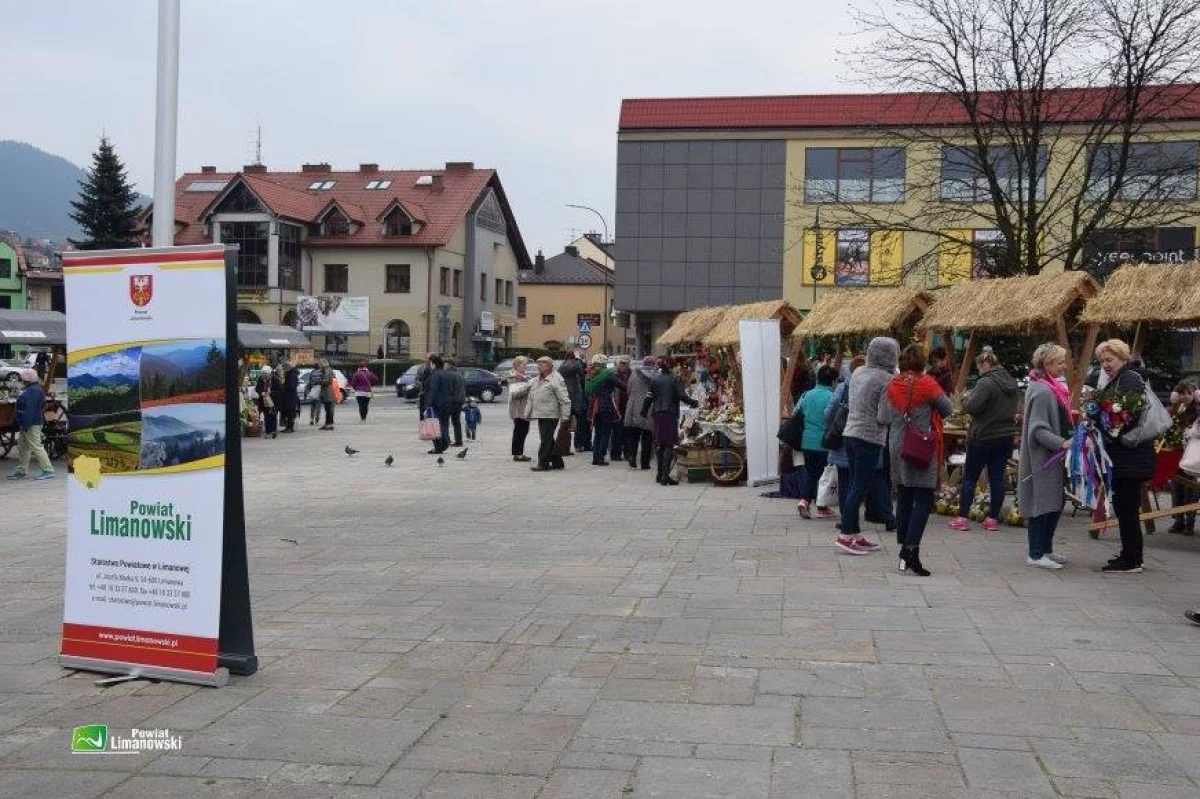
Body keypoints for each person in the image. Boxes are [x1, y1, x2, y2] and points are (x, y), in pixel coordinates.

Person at [879, 345, 954, 576]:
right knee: (923, 500)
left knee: (903, 498)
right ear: (922, 362)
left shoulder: (891, 385)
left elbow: (882, 416)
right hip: (920, 445)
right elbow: (948, 408)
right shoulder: (927, 383)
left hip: (896, 446)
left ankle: (904, 551)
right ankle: (911, 551)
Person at [1091, 338, 1155, 573]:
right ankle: (1131, 554)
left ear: (1123, 358)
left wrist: (1100, 416)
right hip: (1128, 456)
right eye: (1102, 361)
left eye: (1110, 359)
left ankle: (1132, 560)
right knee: (1125, 506)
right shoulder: (1121, 378)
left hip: (1131, 456)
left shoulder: (1128, 379)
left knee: (1127, 507)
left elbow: (1125, 418)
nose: (1105, 364)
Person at [837, 337, 899, 555]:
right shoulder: (888, 379)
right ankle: (845, 534)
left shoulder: (858, 372)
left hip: (850, 433)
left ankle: (853, 532)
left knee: (854, 483)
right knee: (860, 487)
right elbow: (883, 416)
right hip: (870, 437)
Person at [950, 346, 1020, 532]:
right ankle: (992, 519)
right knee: (997, 478)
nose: (979, 371)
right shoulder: (1011, 382)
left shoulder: (986, 383)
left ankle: (962, 518)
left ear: (985, 364)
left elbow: (971, 407)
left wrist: (964, 399)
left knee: (970, 477)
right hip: (1005, 435)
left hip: (983, 436)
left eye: (979, 367)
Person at [1019, 343, 1074, 570]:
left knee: (1054, 502)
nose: (1064, 366)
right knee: (1041, 505)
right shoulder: (1042, 391)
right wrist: (1062, 442)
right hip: (1043, 458)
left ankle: (1045, 549)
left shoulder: (1048, 386)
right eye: (1060, 362)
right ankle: (1035, 553)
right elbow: (1038, 430)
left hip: (1052, 457)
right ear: (1047, 363)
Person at [643, 359, 699, 486]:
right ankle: (665, 476)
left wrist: (643, 411)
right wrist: (693, 402)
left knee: (659, 443)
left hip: (657, 413)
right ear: (673, 368)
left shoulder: (655, 378)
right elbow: (681, 395)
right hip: (669, 413)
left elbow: (648, 396)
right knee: (669, 444)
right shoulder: (675, 378)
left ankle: (659, 474)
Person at [797, 365, 839, 519]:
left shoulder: (806, 395)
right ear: (833, 381)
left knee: (810, 472)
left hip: (807, 441)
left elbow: (797, 412)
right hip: (824, 442)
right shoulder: (832, 397)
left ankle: (804, 501)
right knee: (824, 475)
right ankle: (822, 506)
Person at [826, 355, 866, 512]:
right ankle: (853, 511)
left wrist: (832, 425)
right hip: (862, 437)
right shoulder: (870, 385)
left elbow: (829, 411)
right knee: (858, 478)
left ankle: (846, 512)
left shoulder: (843, 387)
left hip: (842, 436)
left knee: (844, 478)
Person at [7, 369, 54, 480]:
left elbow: (30, 410)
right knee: (23, 447)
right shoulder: (33, 389)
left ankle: (48, 470)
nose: (20, 380)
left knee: (36, 446)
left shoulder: (33, 391)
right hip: (28, 423)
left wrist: (26, 425)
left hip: (31, 423)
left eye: (22, 378)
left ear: (26, 380)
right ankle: (22, 470)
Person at [527, 356, 571, 471]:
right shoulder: (539, 377)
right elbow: (529, 386)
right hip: (542, 413)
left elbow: (565, 399)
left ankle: (543, 463)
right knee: (548, 438)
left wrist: (565, 417)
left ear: (549, 366)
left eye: (541, 364)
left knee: (545, 439)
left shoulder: (556, 378)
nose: (538, 366)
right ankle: (558, 462)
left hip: (551, 414)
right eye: (538, 364)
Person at [1168, 381, 1200, 535]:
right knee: (1176, 487)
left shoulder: (1198, 410)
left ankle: (1189, 522)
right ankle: (1178, 520)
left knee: (1191, 488)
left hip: (1193, 455)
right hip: (1177, 453)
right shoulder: (1174, 410)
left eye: (1188, 393)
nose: (1185, 397)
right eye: (1181, 393)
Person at [585, 354, 619, 466]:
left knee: (598, 433)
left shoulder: (591, 373)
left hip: (594, 406)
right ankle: (601, 457)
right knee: (606, 433)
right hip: (605, 406)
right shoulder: (607, 374)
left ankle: (595, 458)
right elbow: (622, 385)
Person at [624, 356, 656, 470]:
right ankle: (645, 463)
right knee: (647, 437)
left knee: (634, 435)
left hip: (634, 408)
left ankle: (632, 457)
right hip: (649, 408)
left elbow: (628, 389)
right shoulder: (656, 376)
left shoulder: (634, 374)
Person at [422, 354, 452, 454]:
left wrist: (428, 405)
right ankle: (445, 442)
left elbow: (433, 391)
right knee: (444, 424)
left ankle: (439, 446)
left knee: (434, 425)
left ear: (433, 364)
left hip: (436, 404)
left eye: (430, 363)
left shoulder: (435, 374)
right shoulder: (445, 373)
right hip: (447, 403)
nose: (429, 365)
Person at [559, 351, 588, 453]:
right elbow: (583, 376)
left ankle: (564, 447)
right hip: (576, 398)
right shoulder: (575, 366)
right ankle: (578, 445)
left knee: (565, 424)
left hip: (566, 398)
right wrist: (579, 362)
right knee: (580, 422)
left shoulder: (561, 367)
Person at [507, 355, 533, 462]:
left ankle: (519, 453)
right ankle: (517, 454)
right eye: (523, 365)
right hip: (518, 408)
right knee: (519, 431)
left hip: (524, 407)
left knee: (524, 430)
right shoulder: (514, 377)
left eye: (526, 365)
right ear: (517, 365)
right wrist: (528, 387)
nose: (525, 367)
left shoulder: (524, 376)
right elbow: (514, 394)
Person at [611, 357, 632, 463]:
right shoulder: (614, 375)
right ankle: (615, 453)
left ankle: (628, 453)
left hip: (629, 406)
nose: (623, 366)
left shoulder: (632, 374)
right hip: (617, 406)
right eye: (621, 364)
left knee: (628, 431)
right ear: (618, 365)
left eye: (625, 364)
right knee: (617, 432)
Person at [255, 365, 280, 439]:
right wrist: (261, 392)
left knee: (273, 416)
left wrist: (271, 392)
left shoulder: (275, 379)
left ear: (269, 373)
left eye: (265, 373)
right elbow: (257, 388)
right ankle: (268, 431)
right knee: (266, 416)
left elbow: (279, 390)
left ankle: (274, 431)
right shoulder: (260, 379)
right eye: (263, 373)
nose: (264, 375)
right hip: (264, 401)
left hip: (273, 401)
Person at [446, 359, 467, 447]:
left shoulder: (449, 374)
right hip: (460, 400)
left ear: (449, 365)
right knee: (456, 421)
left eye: (446, 365)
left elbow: (450, 389)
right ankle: (459, 441)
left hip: (452, 400)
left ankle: (447, 440)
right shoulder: (459, 373)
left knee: (445, 420)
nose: (444, 366)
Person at [278, 361, 300, 433]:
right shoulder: (292, 374)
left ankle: (290, 428)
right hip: (290, 396)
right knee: (289, 412)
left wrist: (283, 386)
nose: (283, 370)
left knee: (290, 412)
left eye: (284, 368)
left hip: (290, 396)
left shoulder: (291, 375)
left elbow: (291, 385)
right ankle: (288, 427)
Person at [315, 358, 335, 430]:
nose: (319, 365)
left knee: (329, 408)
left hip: (328, 391)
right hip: (325, 392)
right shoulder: (324, 370)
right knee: (327, 408)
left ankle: (329, 424)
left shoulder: (328, 370)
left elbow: (327, 381)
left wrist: (319, 381)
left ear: (323, 364)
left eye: (320, 364)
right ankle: (327, 424)